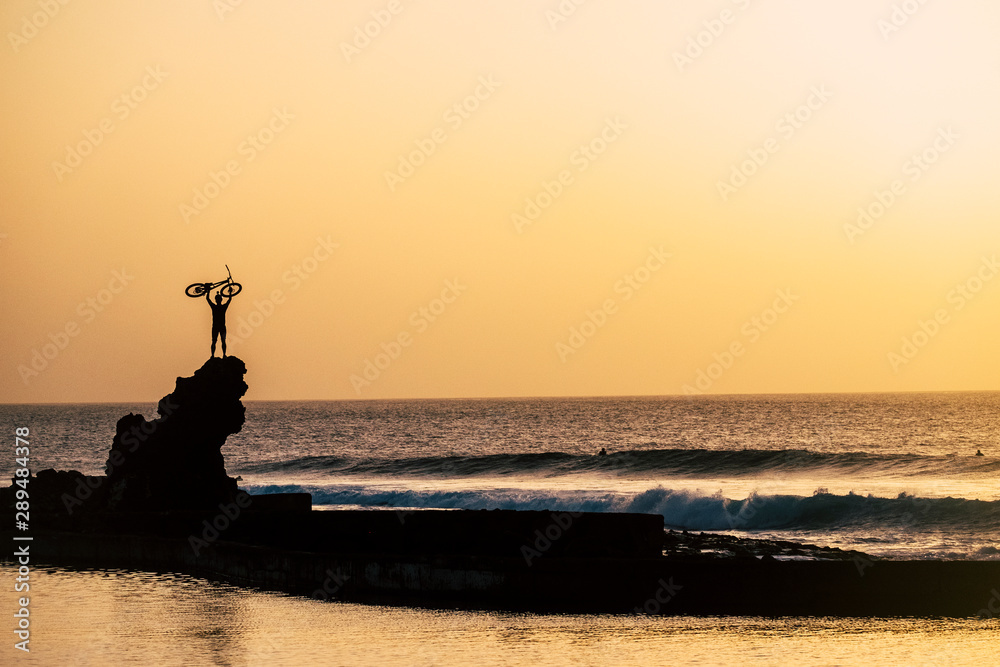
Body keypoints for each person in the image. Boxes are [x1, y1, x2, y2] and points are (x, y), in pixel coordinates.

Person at [206, 286, 233, 358]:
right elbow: (229, 300)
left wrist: (208, 291)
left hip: (216, 327)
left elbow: (208, 299)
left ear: (216, 300)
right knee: (222, 341)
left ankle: (213, 355)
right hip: (221, 327)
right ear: (221, 300)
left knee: (215, 341)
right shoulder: (223, 307)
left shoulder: (214, 307)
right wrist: (230, 292)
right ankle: (223, 355)